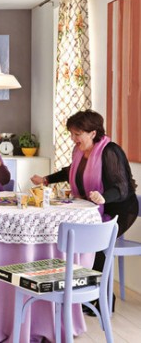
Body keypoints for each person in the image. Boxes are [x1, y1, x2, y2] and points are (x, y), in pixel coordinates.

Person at [30, 110, 138, 315]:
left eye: (77, 133)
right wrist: (46, 179)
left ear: (92, 133)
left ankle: (104, 298)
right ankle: (83, 293)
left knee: (94, 242)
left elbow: (123, 187)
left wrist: (104, 197)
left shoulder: (110, 151)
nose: (73, 138)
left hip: (119, 209)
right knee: (78, 237)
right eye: (71, 133)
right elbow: (70, 171)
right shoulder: (80, 151)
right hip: (94, 208)